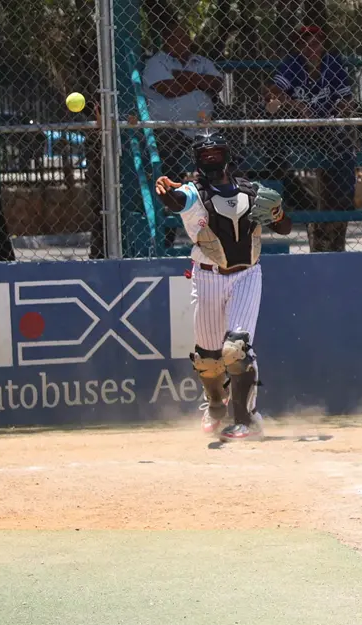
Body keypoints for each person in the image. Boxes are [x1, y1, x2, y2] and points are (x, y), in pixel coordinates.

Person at [154, 131, 292, 442]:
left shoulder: (252, 192)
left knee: (236, 349)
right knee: (208, 360)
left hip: (246, 275)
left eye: (217, 153)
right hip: (207, 277)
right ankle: (215, 403)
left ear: (228, 155)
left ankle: (245, 419)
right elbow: (175, 200)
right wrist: (164, 190)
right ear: (197, 160)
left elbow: (285, 227)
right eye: (206, 155)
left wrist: (278, 213)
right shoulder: (192, 192)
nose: (212, 159)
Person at [265, 24, 356, 252]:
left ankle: (343, 199)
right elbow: (272, 95)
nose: (310, 47)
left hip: (325, 125)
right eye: (304, 42)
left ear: (323, 44)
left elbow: (346, 98)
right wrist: (297, 106)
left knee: (343, 144)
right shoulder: (293, 65)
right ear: (298, 45)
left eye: (315, 42)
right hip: (298, 128)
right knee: (276, 119)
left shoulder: (332, 64)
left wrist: (341, 109)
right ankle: (280, 172)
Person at [142, 20, 224, 247]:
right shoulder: (157, 62)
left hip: (203, 129)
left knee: (221, 160)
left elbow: (217, 84)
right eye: (177, 37)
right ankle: (166, 232)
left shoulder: (201, 61)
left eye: (186, 37)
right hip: (169, 128)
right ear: (167, 41)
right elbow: (170, 89)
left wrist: (183, 77)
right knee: (169, 166)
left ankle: (219, 222)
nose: (183, 42)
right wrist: (198, 82)